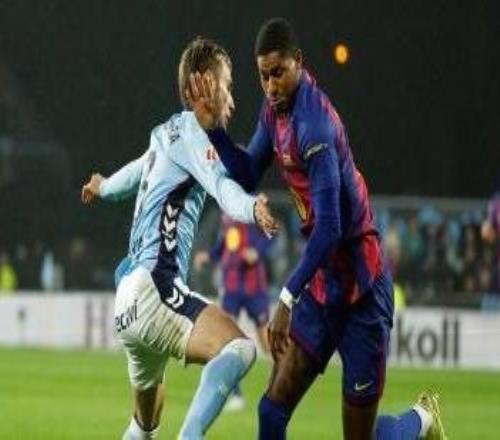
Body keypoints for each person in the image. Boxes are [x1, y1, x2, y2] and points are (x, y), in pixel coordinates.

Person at [188, 18, 446, 440]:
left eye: (278, 73)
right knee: (271, 411)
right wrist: (214, 130)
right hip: (324, 286)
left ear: (299, 62)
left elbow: (330, 227)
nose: (270, 85)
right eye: (263, 75)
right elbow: (248, 172)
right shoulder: (274, 112)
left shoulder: (315, 127)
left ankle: (420, 419)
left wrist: (285, 298)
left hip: (362, 293)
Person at [81, 37, 278, 440]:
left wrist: (102, 186)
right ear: (203, 85)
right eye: (227, 86)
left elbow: (131, 176)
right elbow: (222, 187)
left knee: (144, 424)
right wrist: (252, 208)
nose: (232, 101)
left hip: (127, 302)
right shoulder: (193, 135)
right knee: (240, 349)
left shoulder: (165, 133)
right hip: (156, 289)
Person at [195, 214, 273, 410]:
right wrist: (210, 256)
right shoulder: (227, 214)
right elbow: (226, 243)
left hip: (254, 287)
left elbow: (272, 232)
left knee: (266, 341)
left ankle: (278, 387)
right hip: (232, 287)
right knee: (227, 340)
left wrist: (258, 251)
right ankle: (236, 395)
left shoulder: (252, 208)